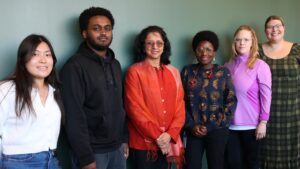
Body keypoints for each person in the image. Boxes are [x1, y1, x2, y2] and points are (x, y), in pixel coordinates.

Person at [60, 7, 128, 169]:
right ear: (84, 33)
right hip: (92, 152)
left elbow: (121, 105)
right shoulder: (74, 67)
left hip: (117, 148)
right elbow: (73, 116)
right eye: (96, 29)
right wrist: (85, 158)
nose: (103, 33)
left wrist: (124, 139)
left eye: (107, 28)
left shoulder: (115, 64)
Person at [124, 25, 185, 169]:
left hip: (169, 140)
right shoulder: (134, 72)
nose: (155, 46)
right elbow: (134, 109)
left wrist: (169, 134)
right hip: (142, 144)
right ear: (143, 46)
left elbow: (180, 106)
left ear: (164, 46)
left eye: (159, 43)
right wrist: (159, 137)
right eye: (150, 43)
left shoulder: (174, 72)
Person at [0, 34, 63, 169]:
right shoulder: (7, 90)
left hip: (51, 160)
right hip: (18, 163)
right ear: (23, 60)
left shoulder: (55, 91)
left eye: (47, 55)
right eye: (35, 54)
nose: (43, 60)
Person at [181, 30, 237, 169]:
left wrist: (211, 126)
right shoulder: (187, 71)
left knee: (216, 165)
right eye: (200, 49)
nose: (204, 53)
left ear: (214, 53)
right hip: (193, 130)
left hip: (217, 130)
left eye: (208, 49)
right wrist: (191, 125)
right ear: (195, 51)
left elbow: (231, 101)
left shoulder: (223, 72)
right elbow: (180, 102)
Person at [224, 25, 272, 169]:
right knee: (233, 163)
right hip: (230, 125)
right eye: (238, 40)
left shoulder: (260, 66)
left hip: (252, 126)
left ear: (252, 42)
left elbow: (266, 96)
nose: (242, 43)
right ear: (234, 43)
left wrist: (263, 122)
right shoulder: (227, 66)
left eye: (246, 39)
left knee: (251, 164)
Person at [258, 15, 300, 169]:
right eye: (270, 26)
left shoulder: (297, 49)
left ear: (284, 28)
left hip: (293, 115)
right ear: (265, 31)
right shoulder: (257, 51)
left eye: (278, 25)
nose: (274, 29)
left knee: (292, 153)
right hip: (264, 115)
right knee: (264, 154)